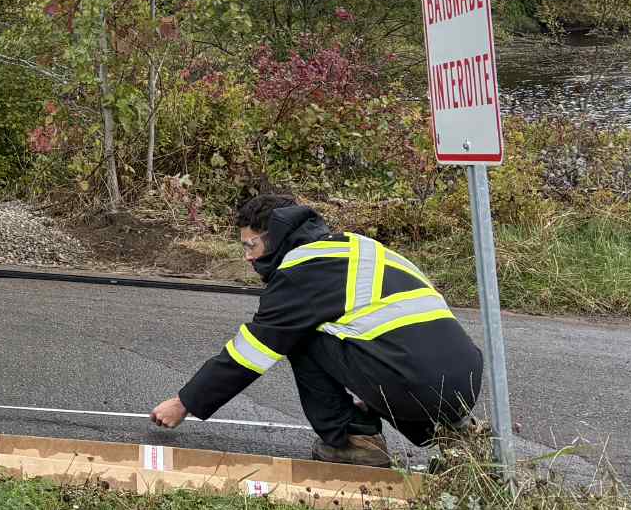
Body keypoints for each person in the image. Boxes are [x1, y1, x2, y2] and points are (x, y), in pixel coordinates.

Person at [149, 193, 484, 468]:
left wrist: (184, 402)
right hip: (464, 381)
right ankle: (457, 434)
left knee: (300, 337)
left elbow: (249, 353)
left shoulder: (303, 269)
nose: (248, 258)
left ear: (274, 238)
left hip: (410, 381)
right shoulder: (356, 247)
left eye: (250, 245)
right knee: (366, 342)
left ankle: (354, 440)